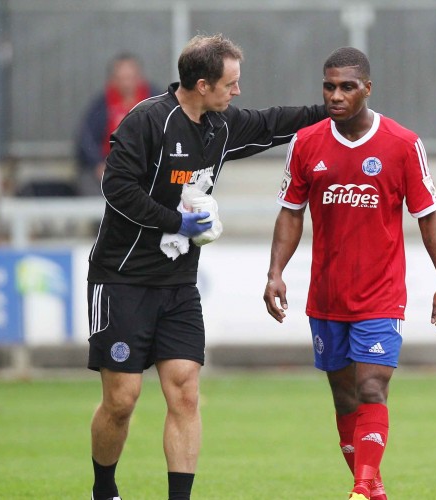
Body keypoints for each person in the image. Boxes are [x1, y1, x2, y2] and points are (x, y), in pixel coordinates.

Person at [87, 34, 329, 500]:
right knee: (122, 400)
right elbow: (117, 189)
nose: (237, 92)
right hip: (122, 279)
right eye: (231, 83)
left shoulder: (219, 126)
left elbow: (270, 124)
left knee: (184, 393)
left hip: (178, 284)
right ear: (202, 84)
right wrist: (176, 220)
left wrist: (331, 111)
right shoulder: (147, 122)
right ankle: (104, 490)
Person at [263, 47, 436, 500]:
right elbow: (291, 214)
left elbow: (429, 216)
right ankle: (372, 487)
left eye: (347, 86)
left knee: (371, 385)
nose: (336, 95)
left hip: (380, 294)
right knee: (344, 398)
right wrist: (275, 272)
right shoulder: (307, 143)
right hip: (327, 296)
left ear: (367, 88)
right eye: (329, 86)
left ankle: (361, 487)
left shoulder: (402, 144)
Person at [75, 53, 160, 197]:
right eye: (121, 79)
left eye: (130, 78)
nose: (126, 83)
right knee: (89, 184)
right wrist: (98, 165)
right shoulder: (101, 105)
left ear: (139, 77)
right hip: (110, 169)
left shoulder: (156, 101)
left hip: (148, 168)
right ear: (113, 80)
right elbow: (85, 139)